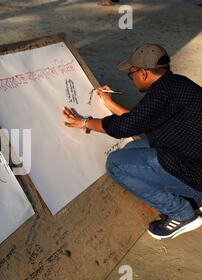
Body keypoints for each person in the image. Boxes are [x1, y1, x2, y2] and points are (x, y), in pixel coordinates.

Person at [61, 43, 202, 240]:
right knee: (132, 148)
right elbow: (138, 120)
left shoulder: (160, 95)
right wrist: (110, 104)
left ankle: (182, 214)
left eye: (131, 73)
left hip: (196, 170)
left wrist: (85, 122)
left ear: (143, 73)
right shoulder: (176, 84)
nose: (132, 78)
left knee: (116, 164)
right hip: (193, 157)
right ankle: (194, 196)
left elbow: (122, 128)